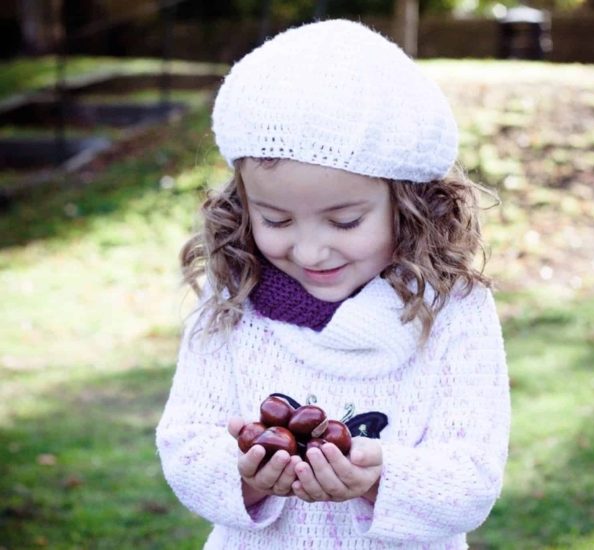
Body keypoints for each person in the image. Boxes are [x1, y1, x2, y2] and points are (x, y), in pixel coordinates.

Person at [156, 19, 510, 549]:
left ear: (410, 205)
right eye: (275, 221)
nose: (310, 250)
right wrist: (246, 477)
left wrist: (380, 478)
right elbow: (186, 444)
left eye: (344, 222)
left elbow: (472, 479)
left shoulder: (454, 310)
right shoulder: (233, 300)